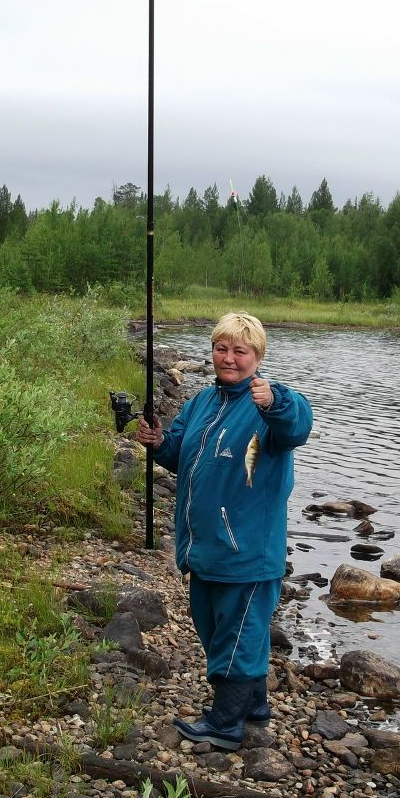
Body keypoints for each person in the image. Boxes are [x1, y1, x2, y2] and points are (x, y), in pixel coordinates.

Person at [136, 312, 312, 750]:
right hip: (204, 548)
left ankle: (226, 723)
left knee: (238, 632)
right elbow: (180, 454)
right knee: (214, 626)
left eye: (240, 350)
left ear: (257, 355)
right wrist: (159, 443)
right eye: (221, 348)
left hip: (246, 551)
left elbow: (297, 426)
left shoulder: (270, 403)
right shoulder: (202, 402)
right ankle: (253, 706)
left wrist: (273, 403)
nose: (228, 358)